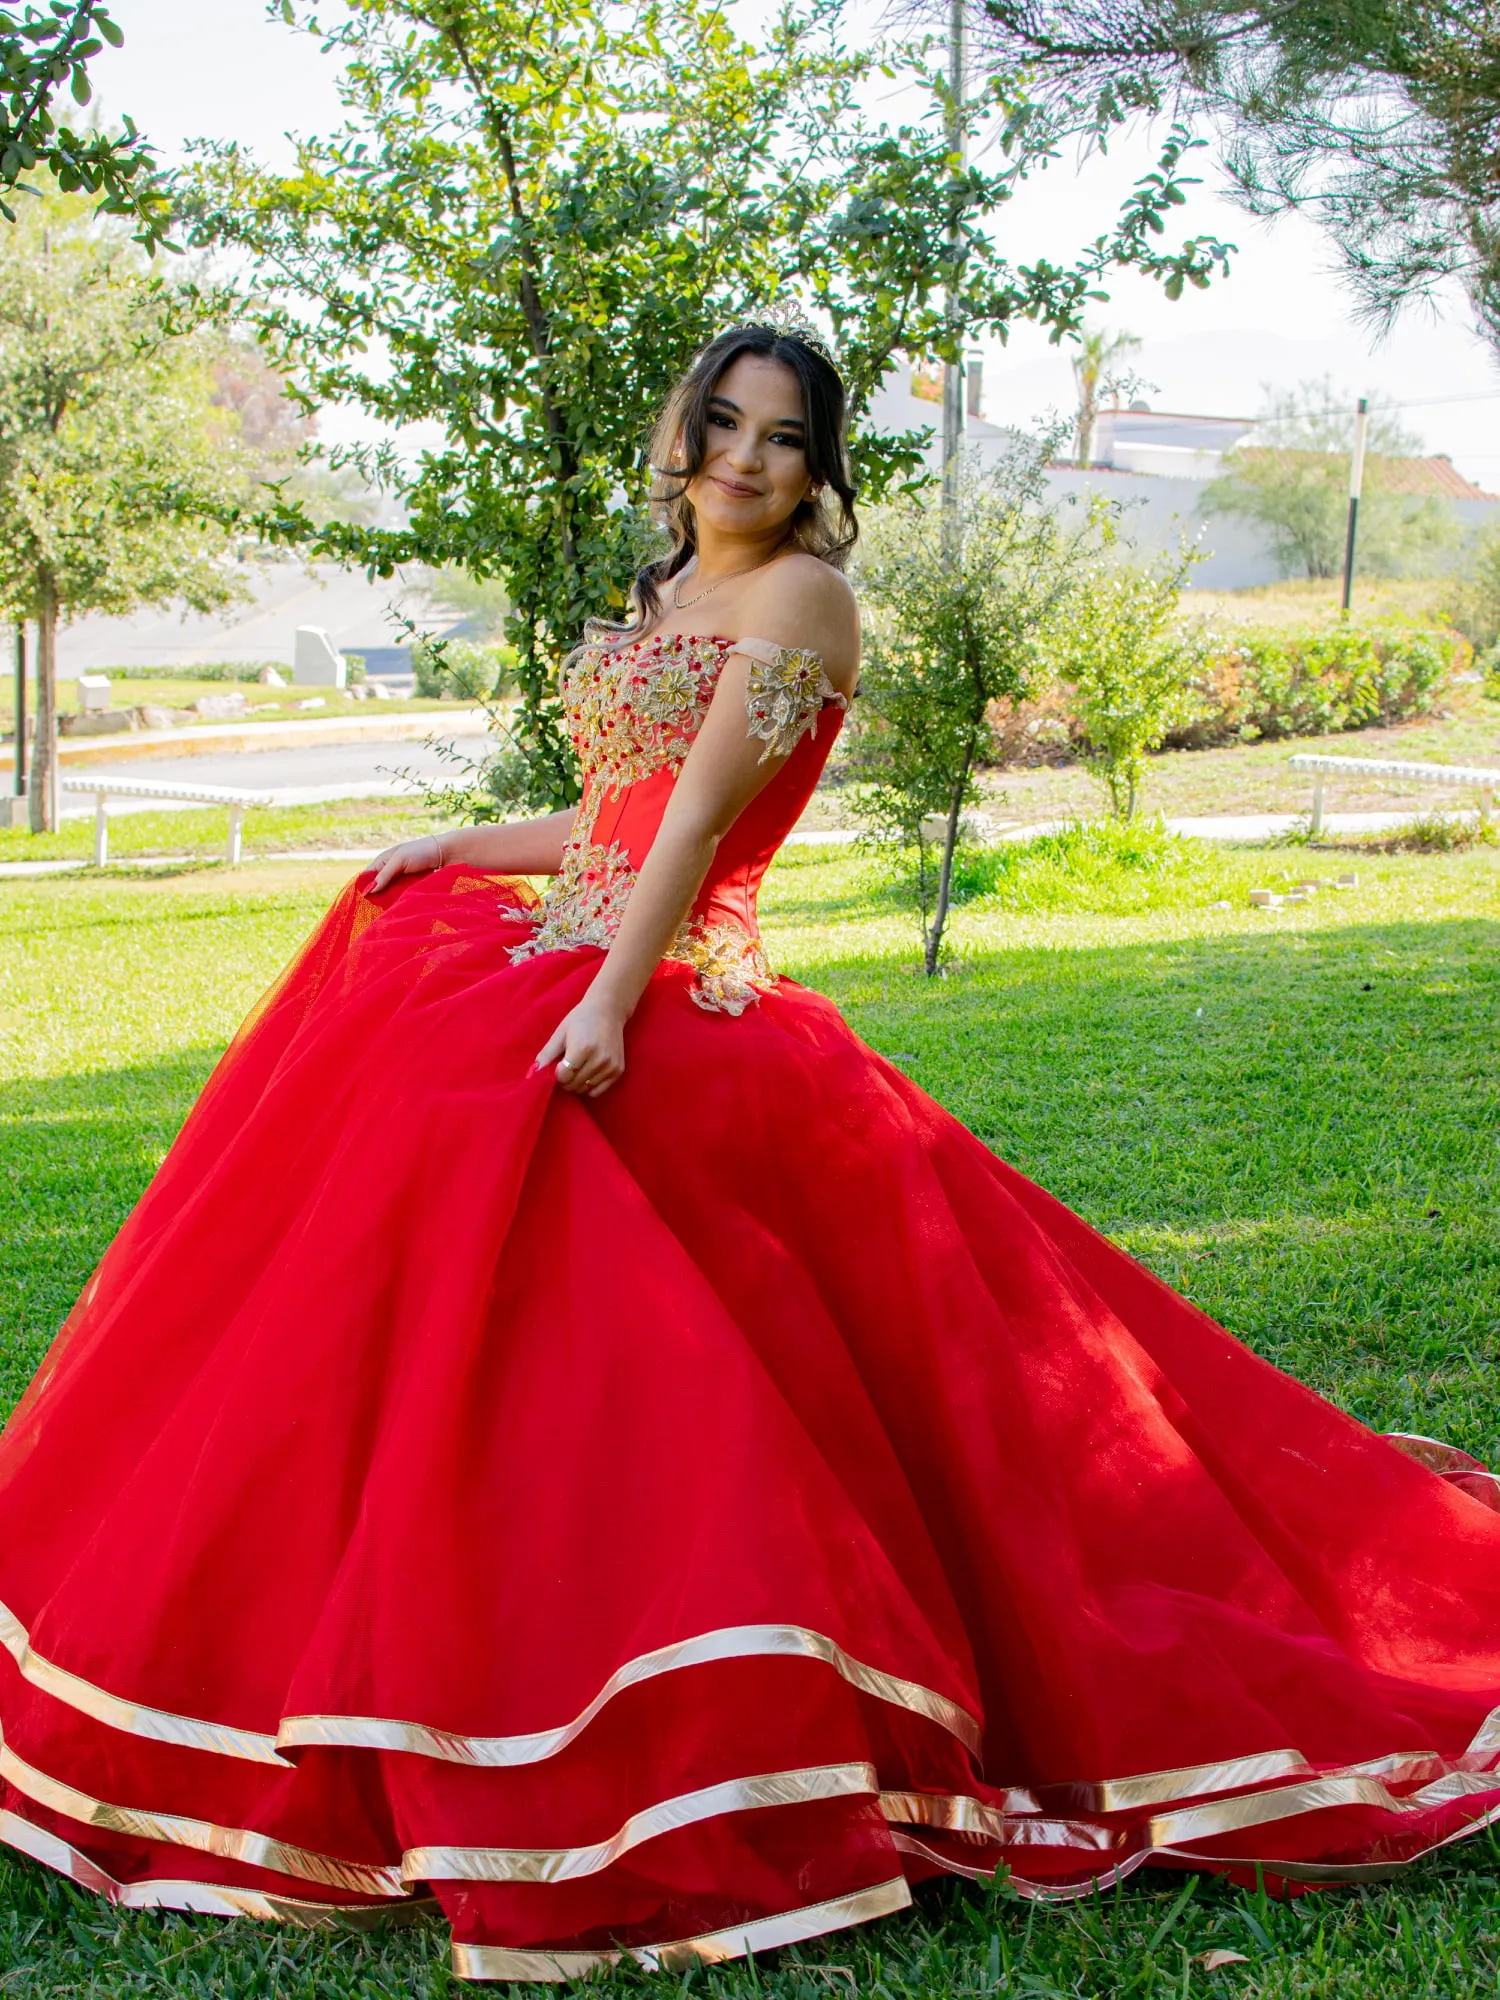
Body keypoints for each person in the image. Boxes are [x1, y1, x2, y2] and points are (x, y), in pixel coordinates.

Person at [1, 320, 1498, 1985]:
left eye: (783, 437)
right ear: (683, 433)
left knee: (527, 1200)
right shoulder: (667, 600)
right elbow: (608, 820)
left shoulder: (802, 600)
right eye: (722, 424)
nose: (744, 458)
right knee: (395, 1178)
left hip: (682, 986)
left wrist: (611, 1009)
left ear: (818, 466)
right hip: (582, 942)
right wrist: (453, 844)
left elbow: (701, 833)